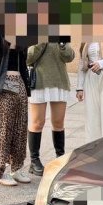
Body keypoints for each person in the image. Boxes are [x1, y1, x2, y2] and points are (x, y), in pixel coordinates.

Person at [0, 25, 31, 185]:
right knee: (3, 130)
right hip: (3, 87)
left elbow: (23, 65)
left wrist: (26, 86)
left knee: (20, 129)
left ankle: (16, 168)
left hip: (19, 85)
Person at [26, 40, 75, 176]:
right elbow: (28, 58)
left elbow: (69, 57)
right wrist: (41, 42)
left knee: (58, 122)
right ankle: (34, 161)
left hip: (59, 81)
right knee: (37, 123)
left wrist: (62, 44)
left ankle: (60, 158)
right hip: (39, 82)